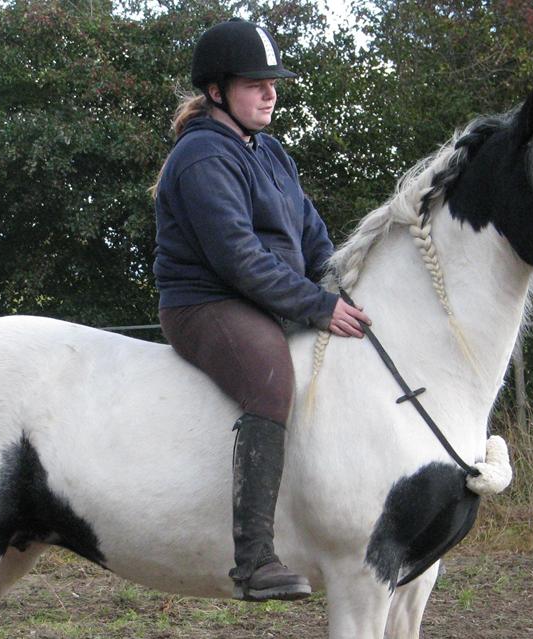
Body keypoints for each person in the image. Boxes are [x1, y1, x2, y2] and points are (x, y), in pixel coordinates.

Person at [153, 18, 371, 602]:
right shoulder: (202, 156)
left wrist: (344, 288)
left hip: (266, 297)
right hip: (208, 304)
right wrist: (318, 306)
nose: (270, 92)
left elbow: (315, 239)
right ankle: (253, 558)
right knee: (271, 381)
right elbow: (239, 260)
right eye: (255, 83)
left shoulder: (271, 153)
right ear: (218, 91)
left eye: (273, 82)